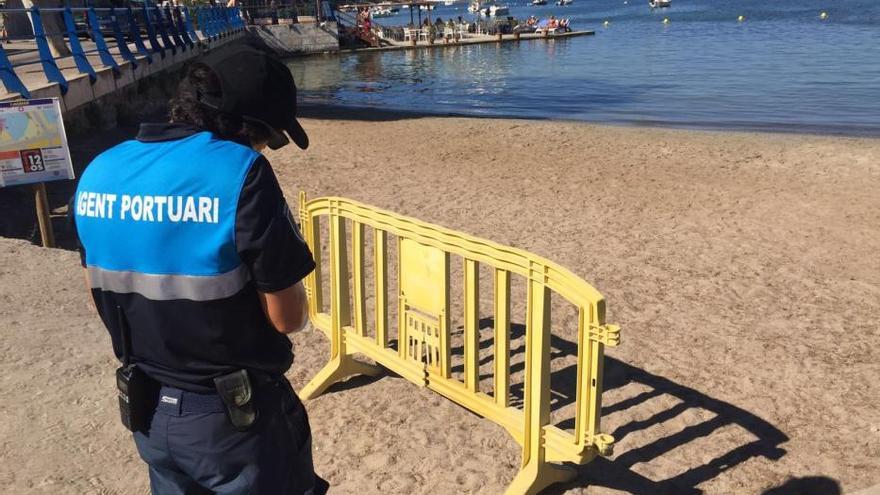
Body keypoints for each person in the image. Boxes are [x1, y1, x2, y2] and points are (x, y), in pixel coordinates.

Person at [72, 46, 329, 495]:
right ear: (251, 126)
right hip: (234, 418)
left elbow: (96, 288)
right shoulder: (241, 172)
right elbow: (287, 318)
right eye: (272, 137)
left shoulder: (101, 170)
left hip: (148, 410)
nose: (268, 148)